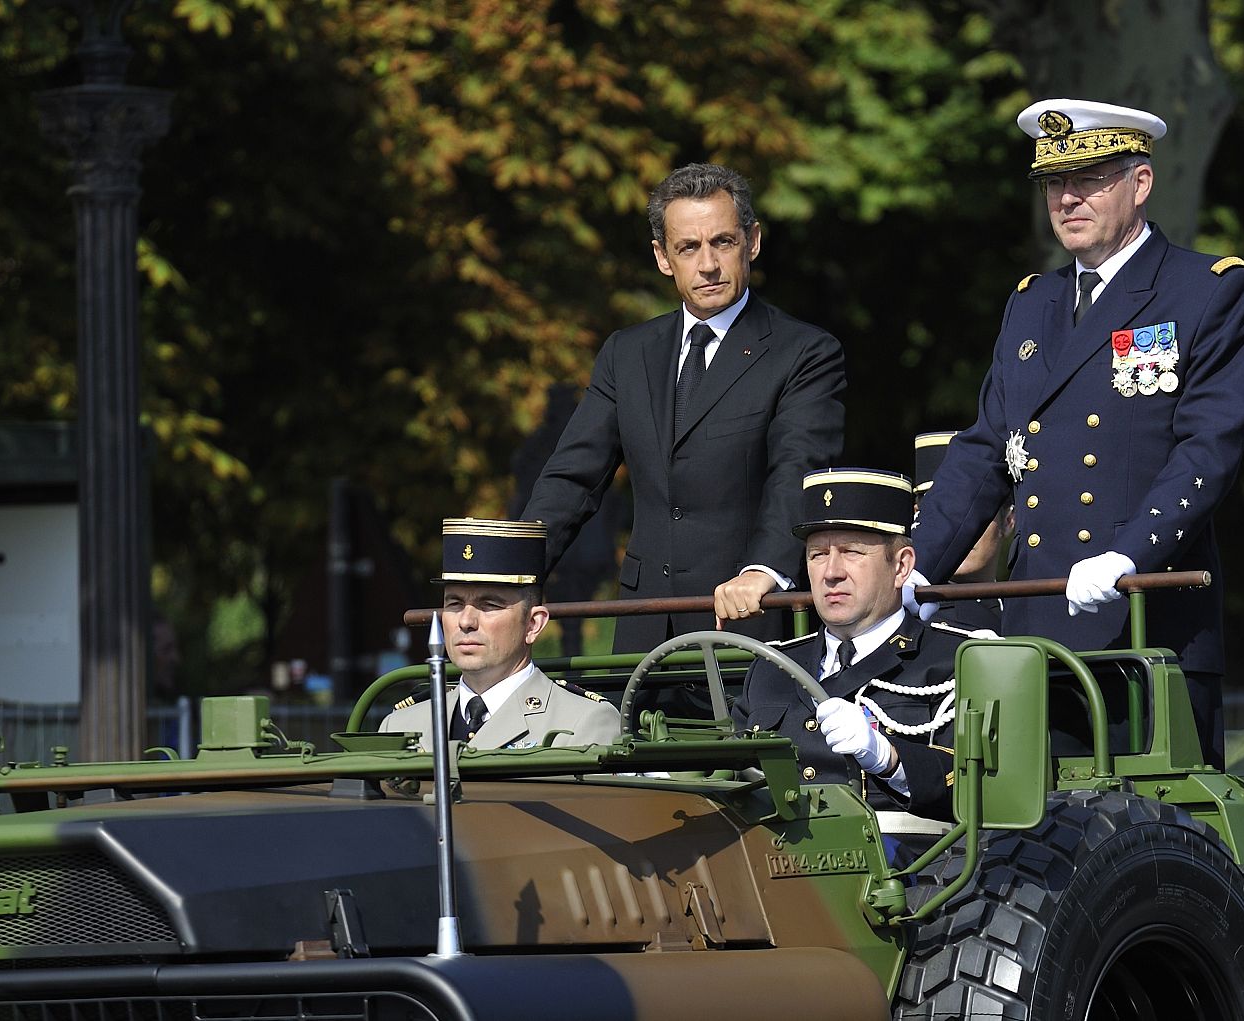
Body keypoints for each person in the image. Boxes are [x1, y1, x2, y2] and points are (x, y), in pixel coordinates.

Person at [909, 99, 1244, 768]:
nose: (1067, 199)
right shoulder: (1031, 302)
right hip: (1038, 627)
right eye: (1054, 183)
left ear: (1140, 182)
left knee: (1149, 829)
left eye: (1090, 179)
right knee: (1029, 824)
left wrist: (1129, 554)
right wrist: (916, 570)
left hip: (1145, 625)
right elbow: (986, 451)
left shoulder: (1205, 290)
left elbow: (1207, 450)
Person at [522, 163, 846, 652]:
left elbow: (797, 472)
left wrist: (763, 571)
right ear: (662, 257)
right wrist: (510, 577)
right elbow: (572, 479)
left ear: (753, 241)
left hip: (749, 621)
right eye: (688, 248)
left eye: (723, 242)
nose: (708, 265)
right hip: (644, 627)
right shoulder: (627, 353)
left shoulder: (804, 352)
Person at [731, 469, 982, 821]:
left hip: (907, 853)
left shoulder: (959, 661)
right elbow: (731, 782)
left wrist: (890, 759)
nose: (831, 572)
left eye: (851, 552)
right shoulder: (771, 668)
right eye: (818, 554)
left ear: (901, 566)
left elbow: (985, 787)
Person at [382, 518, 619, 751]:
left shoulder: (582, 723)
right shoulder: (401, 725)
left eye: (489, 605)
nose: (466, 621)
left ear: (533, 624)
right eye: (454, 603)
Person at [913, 431, 1009, 633]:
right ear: (917, 516)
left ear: (1009, 521)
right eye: (942, 514)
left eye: (977, 514)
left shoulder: (1022, 612)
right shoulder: (901, 616)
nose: (959, 529)